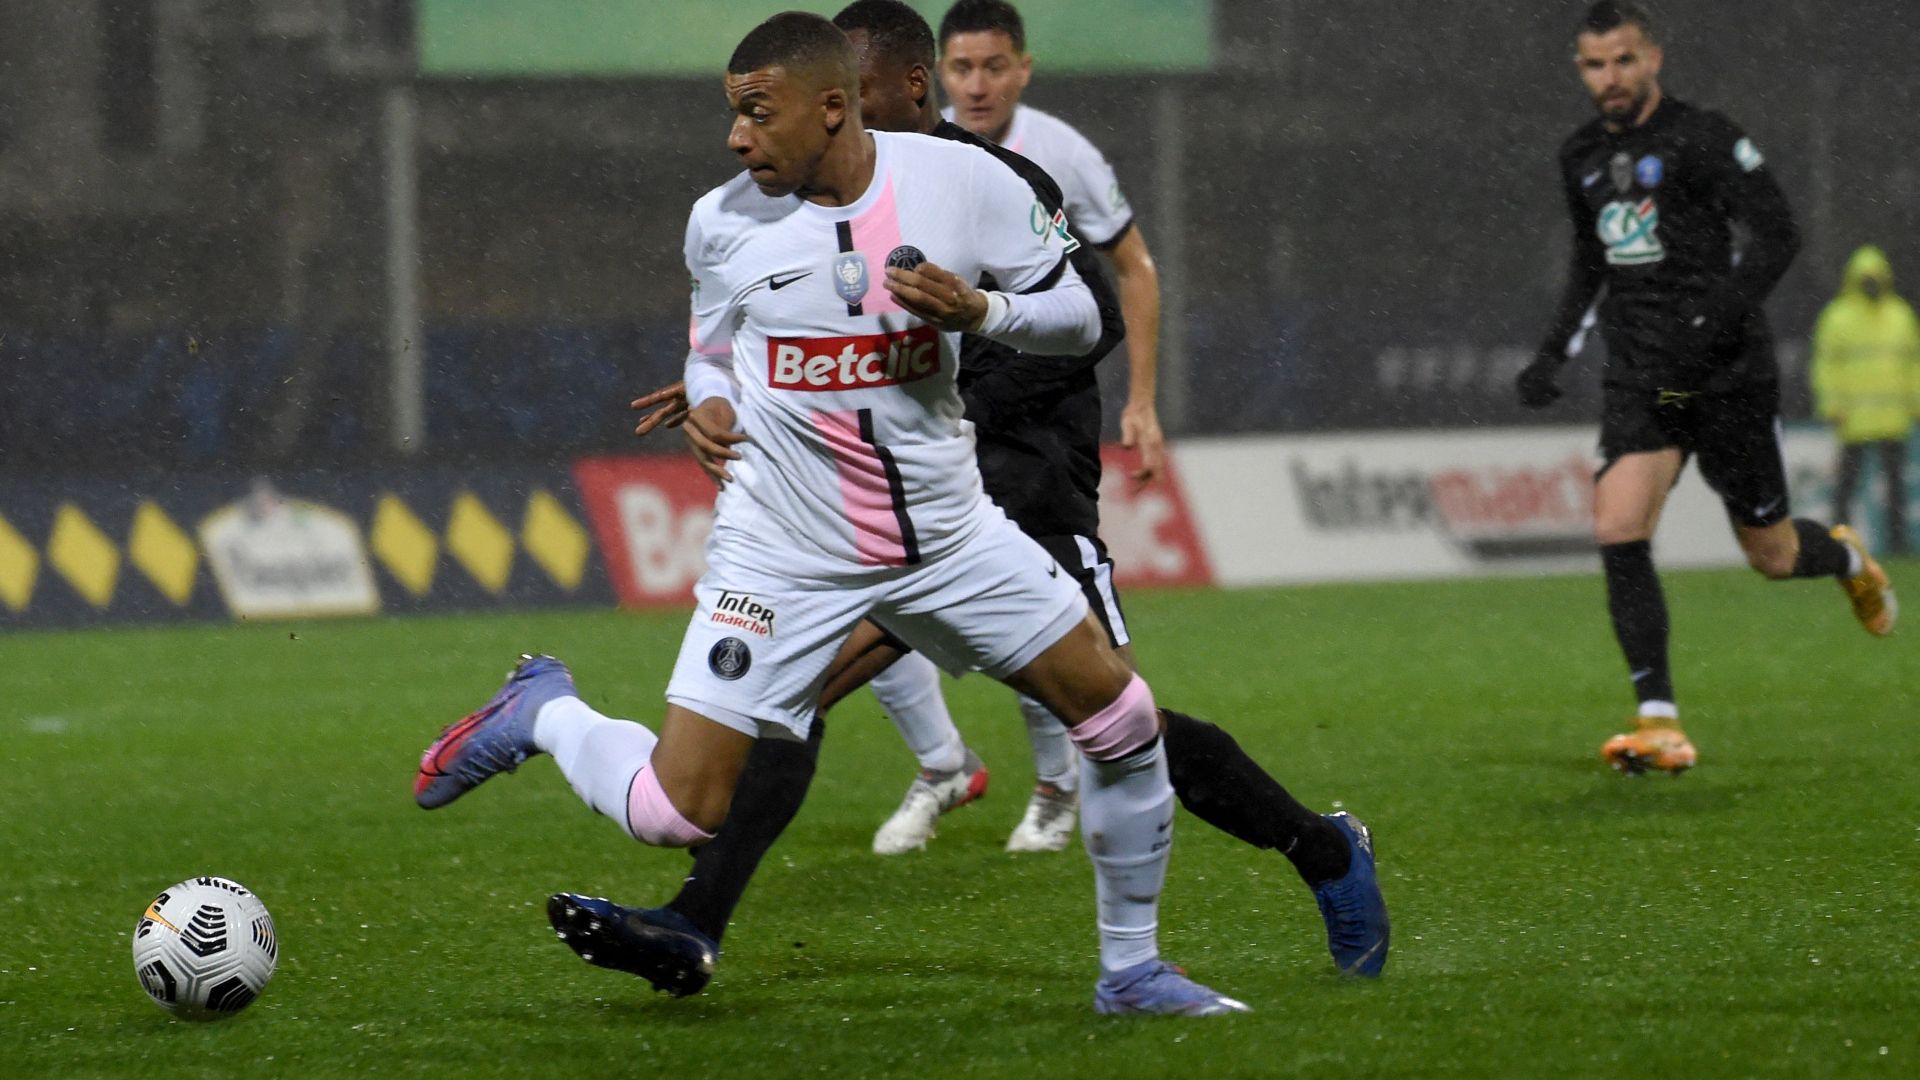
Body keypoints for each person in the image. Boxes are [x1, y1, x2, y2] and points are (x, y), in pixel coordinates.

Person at [416, 10, 1253, 1016]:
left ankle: (1132, 973)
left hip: (950, 533)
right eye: (732, 115)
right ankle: (544, 708)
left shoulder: (963, 183)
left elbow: (1077, 315)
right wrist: (712, 394)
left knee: (1120, 717)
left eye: (756, 115)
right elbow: (710, 346)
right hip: (783, 548)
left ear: (829, 108)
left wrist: (982, 313)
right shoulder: (719, 221)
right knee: (672, 813)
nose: (736, 137)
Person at [604, 0, 1387, 1000]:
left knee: (1115, 716)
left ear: (899, 91)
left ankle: (1320, 850)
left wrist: (949, 356)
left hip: (1020, 493)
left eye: (862, 94)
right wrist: (746, 386)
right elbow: (785, 336)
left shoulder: (993, 182)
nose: (839, 121)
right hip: (881, 515)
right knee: (781, 705)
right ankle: (692, 924)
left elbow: (1088, 318)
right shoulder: (802, 212)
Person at [1516, 1, 1898, 776]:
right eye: (1594, 65)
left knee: (1774, 554)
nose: (1610, 78)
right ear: (1579, 68)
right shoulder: (1580, 155)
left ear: (1652, 58)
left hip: (1726, 372)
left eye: (1624, 60)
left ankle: (1849, 558)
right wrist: (1552, 353)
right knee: (1618, 523)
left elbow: (1778, 235)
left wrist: (1707, 322)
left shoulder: (1706, 136)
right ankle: (1659, 720)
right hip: (1641, 375)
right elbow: (1591, 264)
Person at [857, 0, 1176, 853]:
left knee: (1054, 634)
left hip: (1031, 423)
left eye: (993, 66)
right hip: (933, 432)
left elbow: (1121, 278)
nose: (978, 84)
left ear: (1023, 69)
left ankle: (1060, 786)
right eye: (963, 68)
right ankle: (941, 762)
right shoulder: (892, 164)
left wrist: (1143, 399)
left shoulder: (1056, 155)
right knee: (865, 598)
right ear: (938, 77)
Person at [1812, 244, 1919, 555]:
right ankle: (1838, 539)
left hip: (1890, 418)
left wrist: (1915, 402)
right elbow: (1826, 365)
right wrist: (1832, 405)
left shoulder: (1900, 315)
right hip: (1855, 419)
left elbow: (1913, 364)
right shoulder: (1839, 317)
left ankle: (1898, 544)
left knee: (1893, 486)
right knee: (1848, 486)